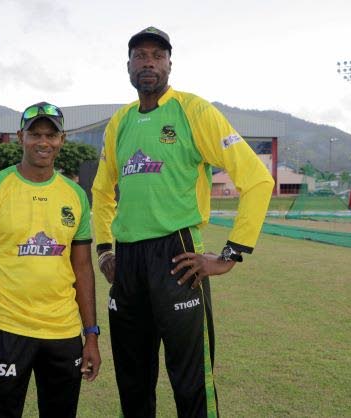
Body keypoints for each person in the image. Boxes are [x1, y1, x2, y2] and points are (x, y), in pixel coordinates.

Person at [92, 27, 274, 417]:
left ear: (170, 64)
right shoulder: (119, 122)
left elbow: (258, 179)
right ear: (128, 65)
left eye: (157, 56)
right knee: (133, 378)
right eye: (140, 56)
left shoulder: (194, 111)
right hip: (127, 263)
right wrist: (105, 249)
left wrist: (230, 254)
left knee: (190, 381)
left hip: (177, 255)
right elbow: (102, 191)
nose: (149, 63)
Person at [0, 102, 101, 418]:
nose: (43, 142)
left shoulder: (75, 195)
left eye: (51, 135)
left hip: (64, 333)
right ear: (21, 136)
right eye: (35, 134)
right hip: (8, 329)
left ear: (61, 140)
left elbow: (82, 268)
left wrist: (91, 335)